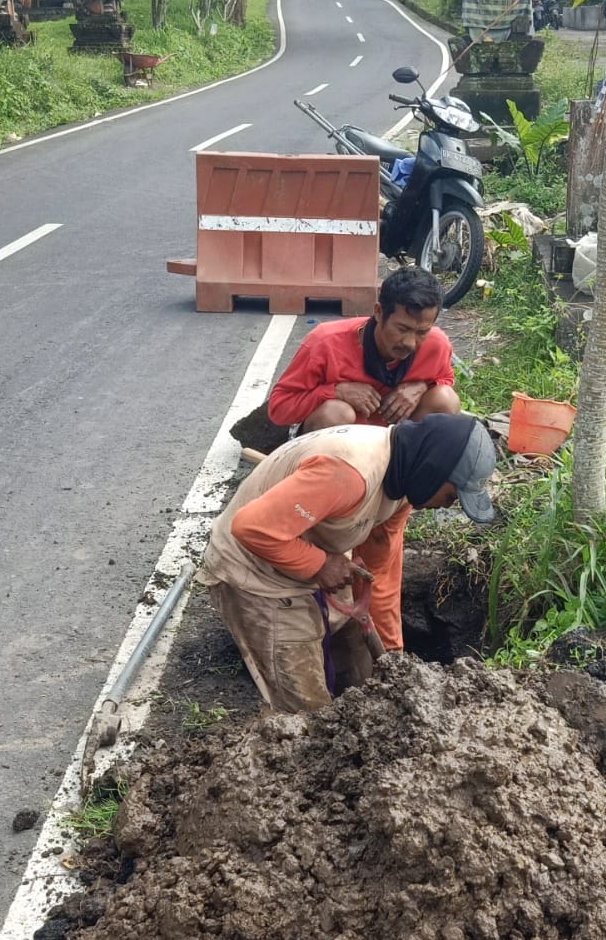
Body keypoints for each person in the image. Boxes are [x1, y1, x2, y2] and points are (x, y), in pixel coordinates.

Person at [199, 414, 496, 712]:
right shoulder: (350, 473)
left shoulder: (405, 483)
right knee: (307, 713)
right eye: (453, 495)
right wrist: (320, 565)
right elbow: (251, 528)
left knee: (363, 677)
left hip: (315, 558)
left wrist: (395, 659)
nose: (450, 505)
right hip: (257, 573)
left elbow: (380, 573)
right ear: (434, 471)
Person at [268, 267, 460, 435]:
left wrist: (422, 387)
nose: (410, 342)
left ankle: (408, 472)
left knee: (445, 398)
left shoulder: (437, 345)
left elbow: (445, 379)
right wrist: (335, 391)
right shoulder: (325, 343)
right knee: (336, 412)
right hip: (335, 444)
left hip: (394, 439)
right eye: (402, 329)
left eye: (422, 332)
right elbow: (278, 408)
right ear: (378, 312)